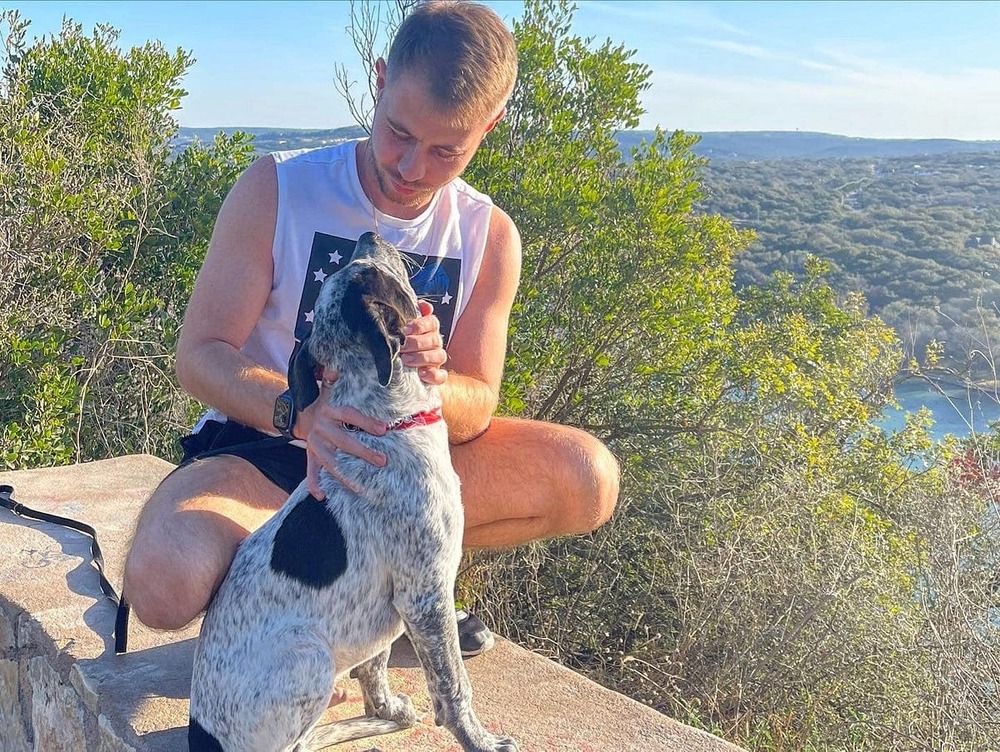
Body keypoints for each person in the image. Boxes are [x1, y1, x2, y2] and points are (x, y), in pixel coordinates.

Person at [123, 0, 619, 682]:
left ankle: (388, 602)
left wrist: (436, 382)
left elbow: (478, 402)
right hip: (266, 453)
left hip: (400, 468)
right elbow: (201, 354)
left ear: (490, 126)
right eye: (398, 132)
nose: (412, 166)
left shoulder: (487, 235)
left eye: (446, 149)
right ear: (380, 80)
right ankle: (305, 601)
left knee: (587, 480)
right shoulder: (277, 188)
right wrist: (299, 413)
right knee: (163, 582)